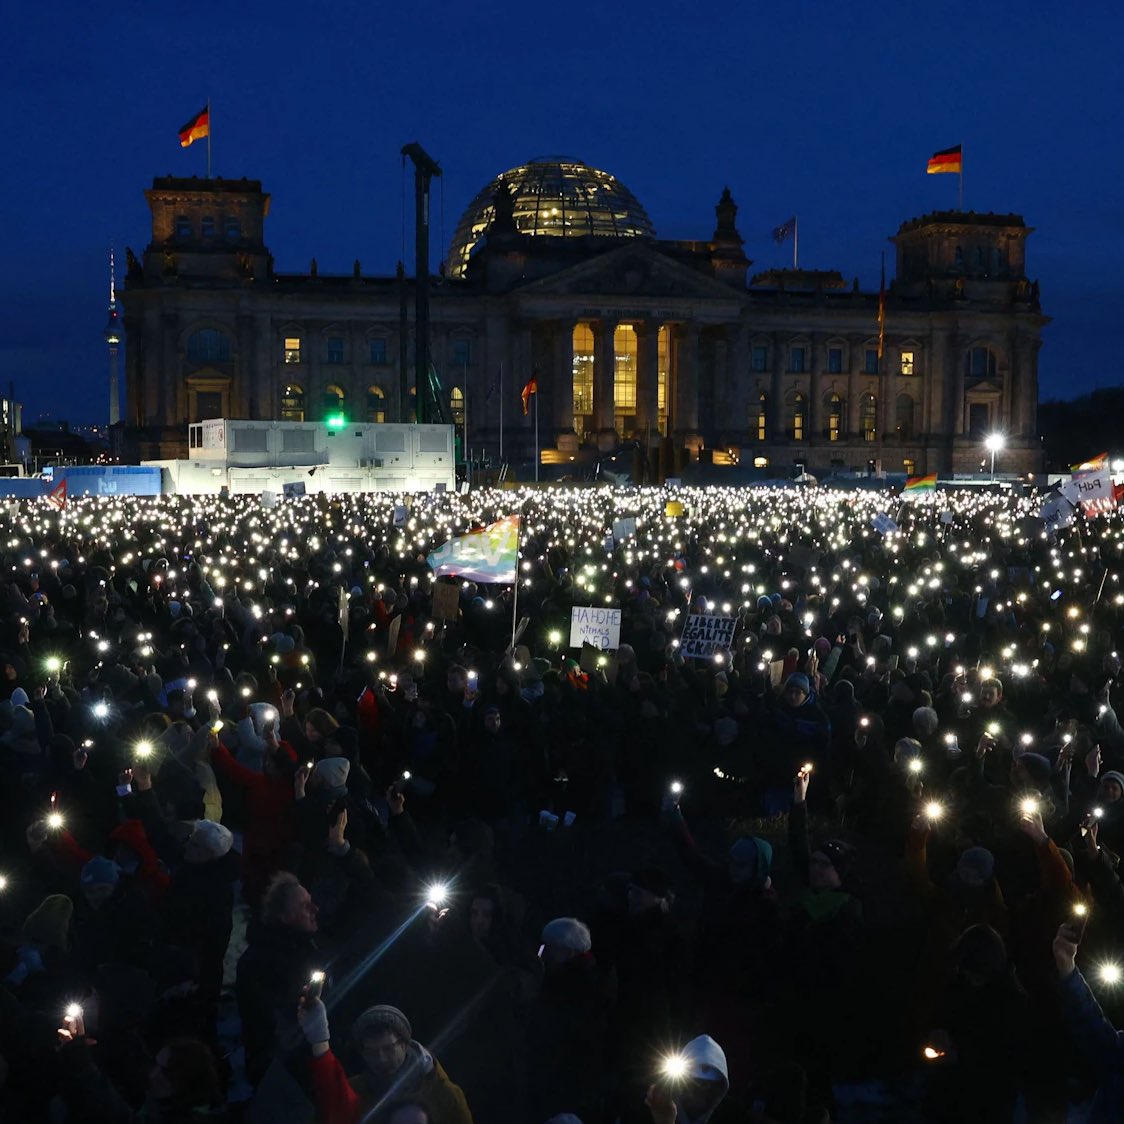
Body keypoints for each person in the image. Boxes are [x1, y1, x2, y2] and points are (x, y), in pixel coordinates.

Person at [298, 997, 473, 1124]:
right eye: (372, 1052)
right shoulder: (356, 1093)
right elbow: (334, 1102)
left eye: (388, 1048)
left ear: (404, 1044)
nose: (381, 1059)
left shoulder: (445, 1095)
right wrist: (319, 1038)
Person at [236, 871, 322, 1086]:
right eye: (305, 906)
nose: (315, 910)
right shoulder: (261, 962)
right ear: (284, 917)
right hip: (284, 1070)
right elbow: (271, 1023)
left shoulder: (308, 946)